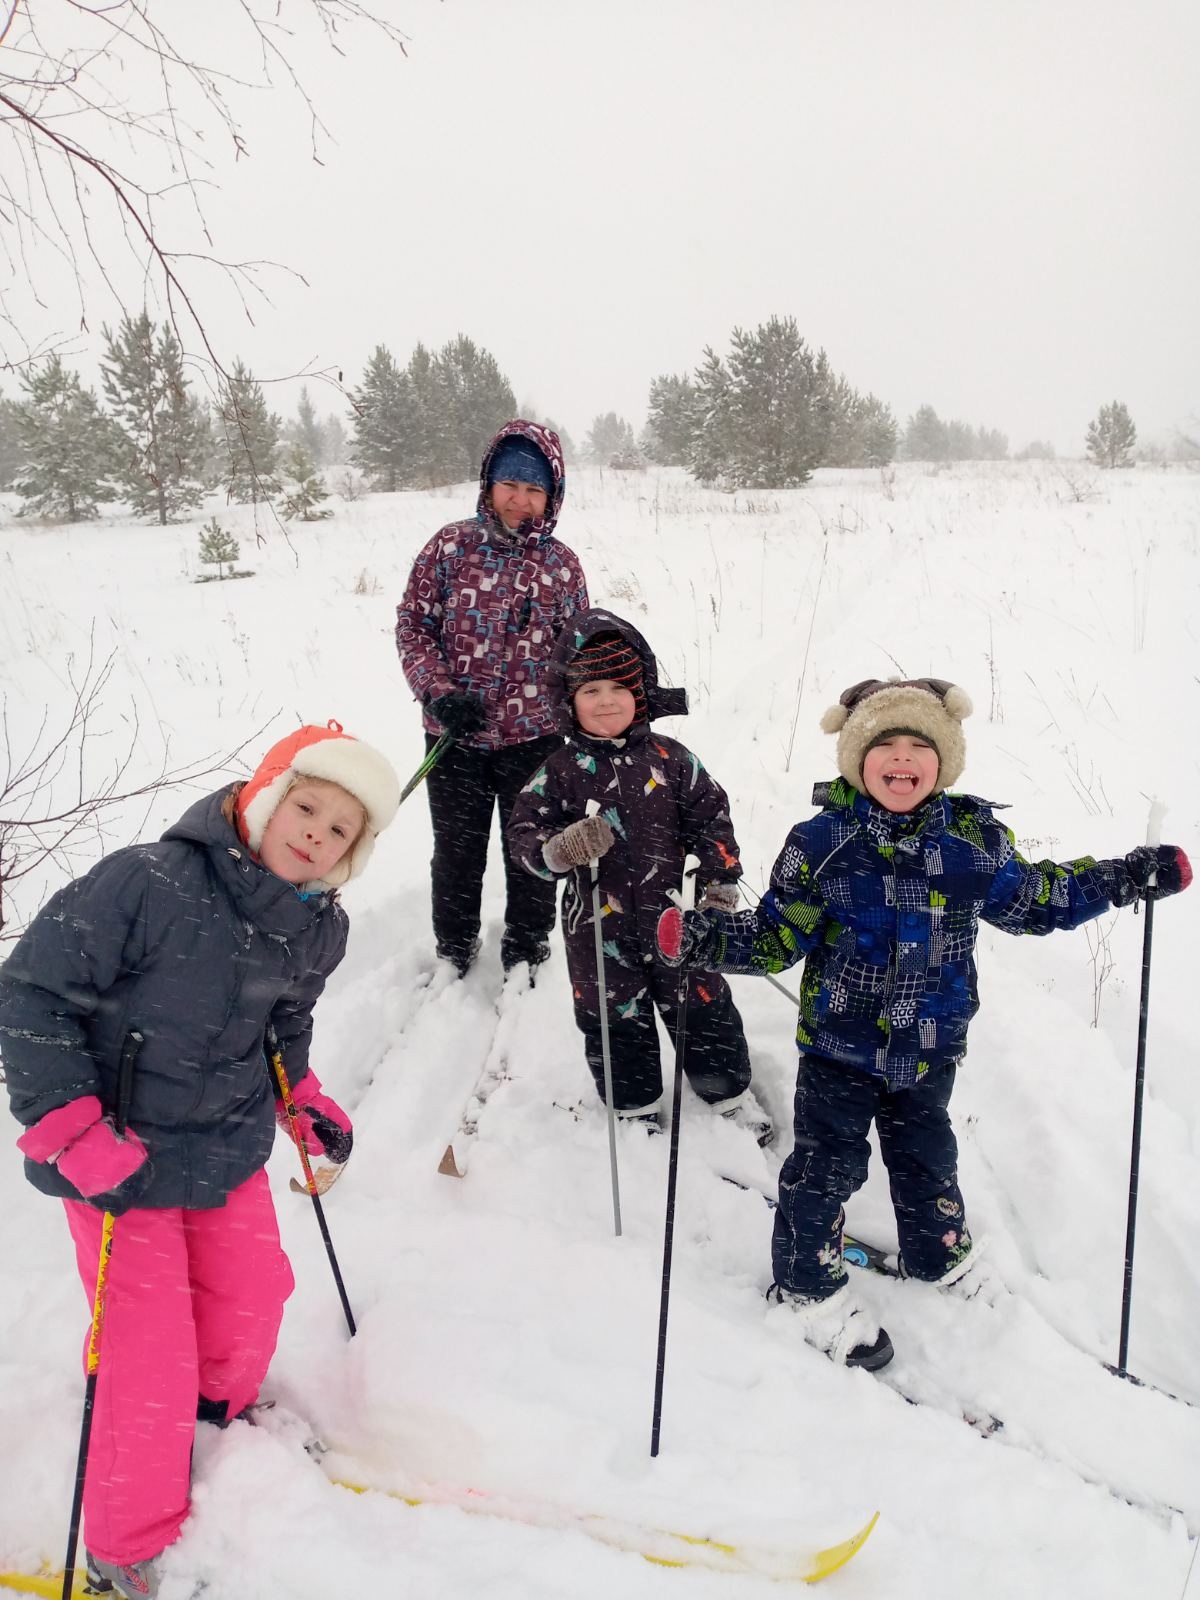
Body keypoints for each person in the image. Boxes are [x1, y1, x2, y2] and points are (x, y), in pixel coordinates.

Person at [656, 676, 1191, 1371]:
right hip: (839, 1050)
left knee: (927, 1161)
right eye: (885, 745)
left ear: (945, 761)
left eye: (920, 745)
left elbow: (1038, 902)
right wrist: (707, 940)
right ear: (855, 758)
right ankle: (806, 1287)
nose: (902, 759)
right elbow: (778, 937)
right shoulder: (822, 842)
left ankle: (936, 1250)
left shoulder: (972, 842)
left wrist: (1124, 878)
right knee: (824, 1173)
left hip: (931, 1048)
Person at [0, 720, 400, 1600]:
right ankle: (125, 1544)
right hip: (114, 1156)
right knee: (145, 1348)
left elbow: (282, 1029)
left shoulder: (315, 929)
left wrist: (301, 1100)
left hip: (223, 1146)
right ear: (264, 799)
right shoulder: (149, 881)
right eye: (306, 807)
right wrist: (71, 1129)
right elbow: (31, 990)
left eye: (340, 830)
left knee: (255, 1292)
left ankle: (213, 1421)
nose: (315, 834)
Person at [507, 608, 771, 1141]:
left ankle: (728, 1093)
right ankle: (633, 1108)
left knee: (701, 1005)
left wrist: (720, 883)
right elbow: (524, 841)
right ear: (569, 701)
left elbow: (711, 818)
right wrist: (561, 848)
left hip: (677, 918)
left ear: (640, 693)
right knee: (614, 1017)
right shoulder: (556, 773)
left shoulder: (672, 759)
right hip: (597, 933)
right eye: (591, 690)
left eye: (619, 688)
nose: (606, 701)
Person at [395, 420, 589, 979]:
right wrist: (439, 692)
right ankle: (454, 946)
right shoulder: (450, 547)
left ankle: (527, 945)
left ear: (551, 496)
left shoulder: (561, 565)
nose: (520, 501)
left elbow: (578, 650)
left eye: (534, 490)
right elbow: (413, 626)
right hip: (454, 735)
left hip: (536, 738)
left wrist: (587, 713)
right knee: (457, 852)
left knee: (531, 850)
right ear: (488, 482)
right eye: (510, 485)